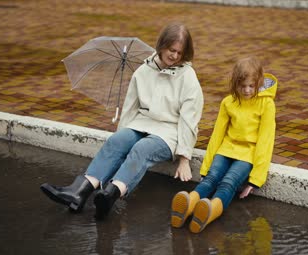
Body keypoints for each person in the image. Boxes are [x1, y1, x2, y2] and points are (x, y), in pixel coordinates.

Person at [40, 22, 204, 220]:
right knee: (116, 142)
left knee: (141, 149)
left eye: (180, 52)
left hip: (170, 132)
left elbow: (189, 119)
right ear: (161, 45)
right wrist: (121, 136)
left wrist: (185, 157)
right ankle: (79, 193)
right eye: (171, 50)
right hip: (141, 123)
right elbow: (130, 108)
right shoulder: (143, 72)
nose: (175, 56)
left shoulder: (188, 76)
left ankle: (110, 195)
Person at [170, 57, 278, 233]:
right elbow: (217, 135)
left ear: (258, 82)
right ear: (235, 83)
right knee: (212, 177)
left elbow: (266, 142)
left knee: (228, 183)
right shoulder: (228, 102)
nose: (247, 90)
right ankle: (189, 203)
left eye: (251, 86)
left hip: (247, 154)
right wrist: (205, 168)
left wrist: (256, 180)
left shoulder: (266, 104)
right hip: (226, 149)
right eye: (242, 86)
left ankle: (211, 210)